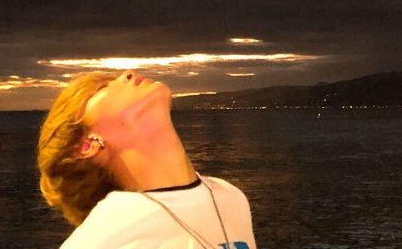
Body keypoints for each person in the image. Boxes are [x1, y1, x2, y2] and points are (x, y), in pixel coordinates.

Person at [38, 69, 256, 248]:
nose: (128, 73)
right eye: (101, 88)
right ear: (86, 146)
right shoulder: (107, 235)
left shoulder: (230, 197)